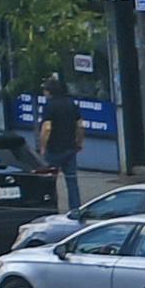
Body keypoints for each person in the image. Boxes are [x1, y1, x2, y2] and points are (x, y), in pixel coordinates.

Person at [39, 82, 86, 210]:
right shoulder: (71, 104)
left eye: (45, 90)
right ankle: (75, 210)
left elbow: (47, 128)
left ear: (50, 92)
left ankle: (51, 207)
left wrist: (42, 146)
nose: (44, 93)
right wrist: (79, 143)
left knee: (49, 182)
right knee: (72, 181)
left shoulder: (49, 106)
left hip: (53, 149)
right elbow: (80, 126)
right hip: (70, 148)